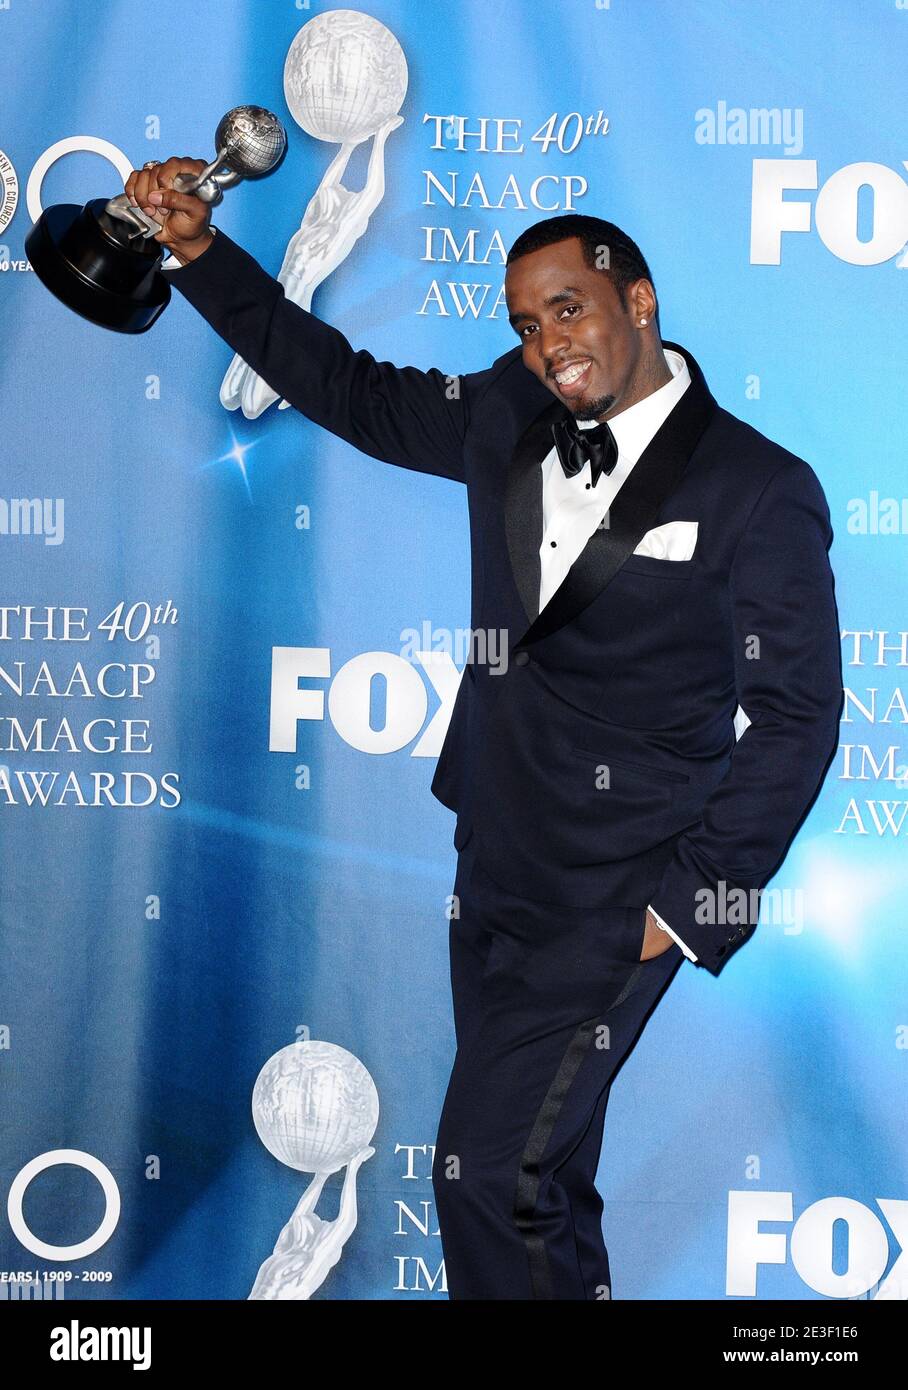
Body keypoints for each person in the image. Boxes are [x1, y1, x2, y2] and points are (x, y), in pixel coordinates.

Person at [125, 160, 843, 1299]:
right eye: (523, 322)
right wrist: (204, 257)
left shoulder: (756, 484)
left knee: (481, 1172)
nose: (547, 340)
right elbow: (349, 390)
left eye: (568, 307)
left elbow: (799, 714)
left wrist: (689, 902)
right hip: (493, 863)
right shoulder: (508, 408)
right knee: (540, 1179)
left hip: (621, 894)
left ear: (637, 300)